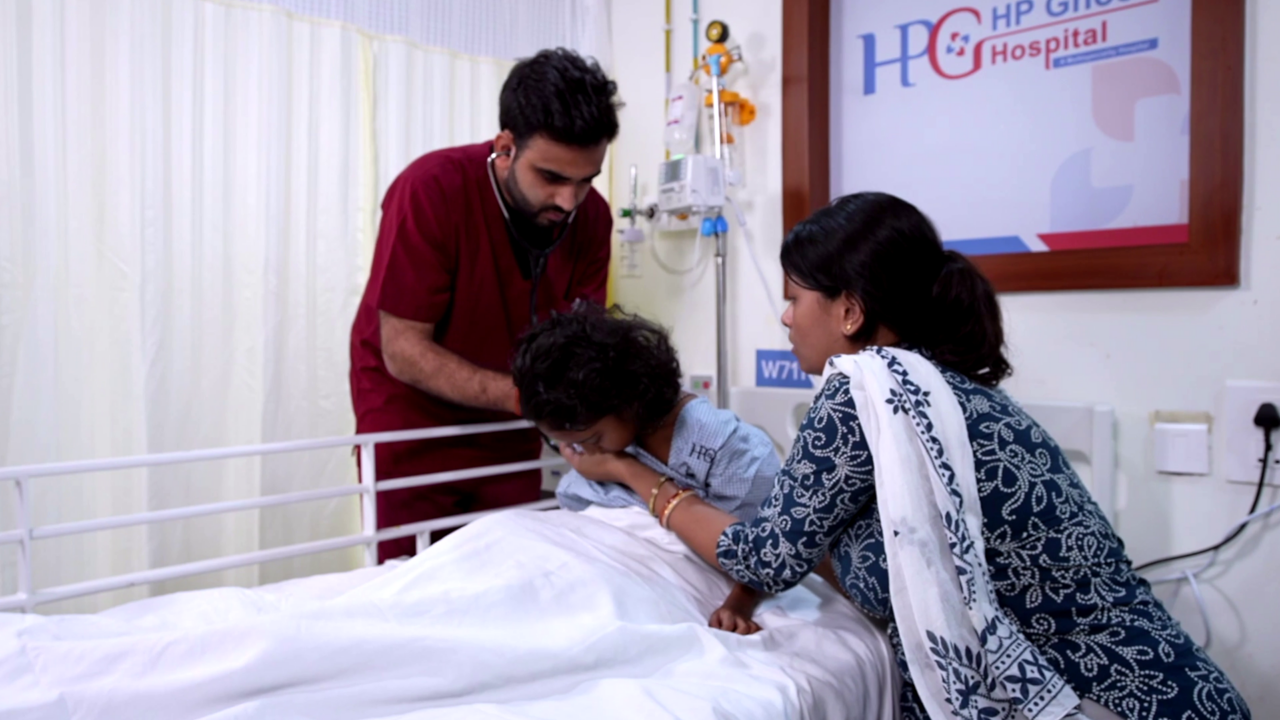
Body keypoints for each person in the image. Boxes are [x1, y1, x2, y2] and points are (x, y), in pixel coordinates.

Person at [557, 193, 1250, 720]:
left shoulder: (864, 390)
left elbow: (764, 557)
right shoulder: (940, 395)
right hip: (1169, 684)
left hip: (1101, 697)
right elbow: (815, 544)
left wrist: (627, 469)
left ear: (850, 312)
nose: (786, 316)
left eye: (796, 298)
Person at [349, 49, 620, 562]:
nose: (569, 201)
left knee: (503, 572)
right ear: (505, 148)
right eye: (552, 177)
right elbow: (403, 350)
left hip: (510, 427)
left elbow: (582, 343)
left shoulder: (592, 219)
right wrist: (526, 398)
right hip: (414, 426)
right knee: (409, 580)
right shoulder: (432, 190)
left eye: (586, 179)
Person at [511, 304, 778, 634]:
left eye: (592, 438)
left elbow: (762, 548)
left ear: (627, 400)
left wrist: (739, 603)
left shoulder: (724, 449)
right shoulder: (608, 446)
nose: (586, 452)